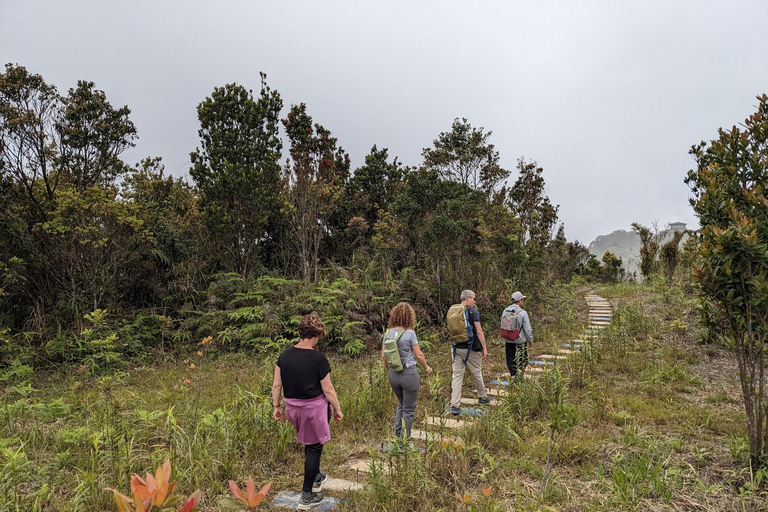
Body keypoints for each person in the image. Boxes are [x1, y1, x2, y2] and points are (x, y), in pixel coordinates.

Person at [272, 314, 343, 510]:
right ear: (316, 335)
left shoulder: (284, 355)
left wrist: (277, 407)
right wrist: (337, 409)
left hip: (293, 409)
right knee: (314, 448)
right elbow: (328, 390)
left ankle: (317, 476)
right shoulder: (318, 358)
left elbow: (277, 385)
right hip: (314, 410)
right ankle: (307, 496)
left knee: (309, 442)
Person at [381, 302, 433, 444]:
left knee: (401, 404)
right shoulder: (410, 333)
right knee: (409, 409)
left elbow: (383, 356)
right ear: (409, 317)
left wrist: (389, 371)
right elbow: (419, 355)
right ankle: (405, 441)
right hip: (408, 373)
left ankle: (397, 437)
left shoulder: (387, 333)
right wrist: (427, 367)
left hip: (393, 374)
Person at [449, 290, 490, 415]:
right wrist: (484, 348)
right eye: (473, 298)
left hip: (456, 347)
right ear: (467, 298)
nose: (474, 301)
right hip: (471, 348)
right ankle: (483, 397)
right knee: (476, 372)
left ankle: (454, 404)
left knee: (457, 376)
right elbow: (479, 331)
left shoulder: (453, 310)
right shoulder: (473, 312)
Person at [503, 291, 533, 380]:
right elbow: (527, 328)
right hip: (520, 339)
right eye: (522, 300)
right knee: (522, 358)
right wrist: (530, 339)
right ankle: (520, 374)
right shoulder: (522, 312)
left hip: (508, 338)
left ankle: (513, 375)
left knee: (510, 357)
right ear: (519, 301)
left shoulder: (505, 311)